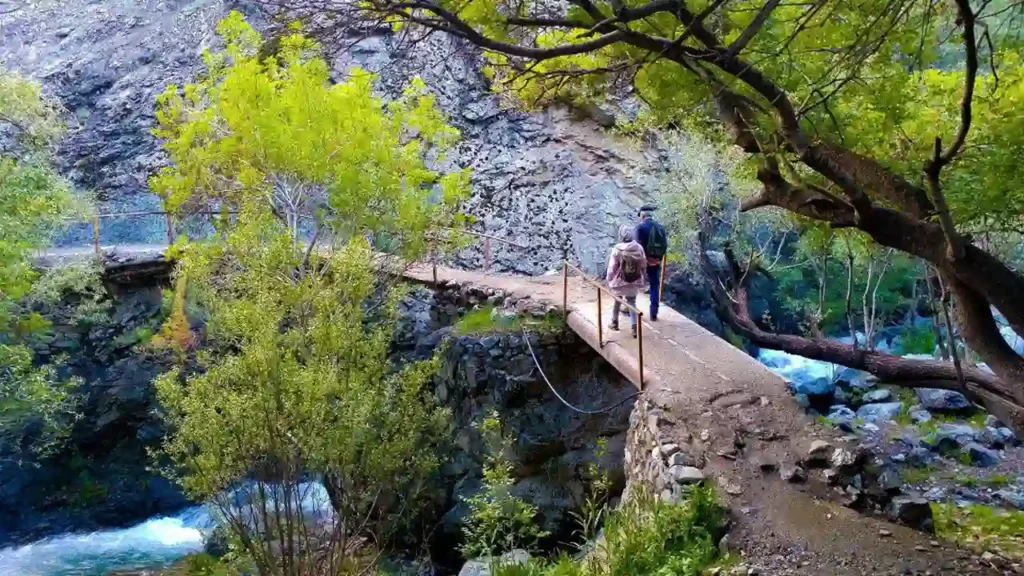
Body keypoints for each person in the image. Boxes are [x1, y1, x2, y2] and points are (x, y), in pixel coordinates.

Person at [606, 224, 647, 338]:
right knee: (631, 303)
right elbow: (643, 264)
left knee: (617, 301)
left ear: (621, 234)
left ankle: (614, 323)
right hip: (635, 280)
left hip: (619, 281)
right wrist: (642, 275)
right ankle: (634, 328)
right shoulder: (639, 248)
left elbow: (612, 267)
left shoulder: (617, 249)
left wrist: (609, 278)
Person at [634, 204, 668, 321]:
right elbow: (665, 246)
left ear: (642, 216)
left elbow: (637, 247)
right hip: (656, 262)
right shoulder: (660, 227)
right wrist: (657, 259)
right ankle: (654, 312)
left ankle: (628, 306)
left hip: (643, 262)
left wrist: (644, 260)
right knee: (654, 285)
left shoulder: (640, 227)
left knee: (633, 282)